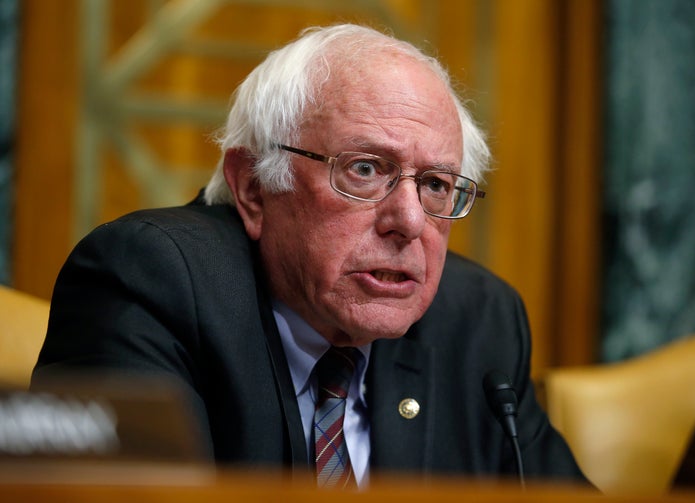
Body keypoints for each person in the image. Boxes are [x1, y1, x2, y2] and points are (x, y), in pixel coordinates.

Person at [32, 24, 586, 488]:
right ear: (253, 186)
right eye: (365, 170)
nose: (411, 221)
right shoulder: (150, 280)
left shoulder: (478, 319)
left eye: (437, 184)